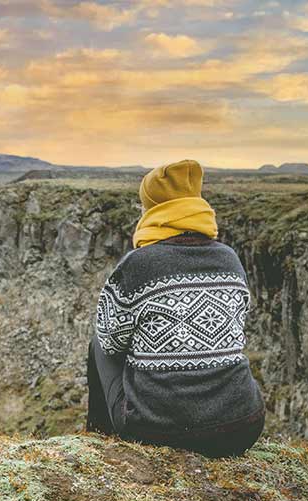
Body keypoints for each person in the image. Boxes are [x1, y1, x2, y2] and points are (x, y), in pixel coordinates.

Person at [86, 159, 264, 457]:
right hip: (242, 426)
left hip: (157, 429)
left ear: (154, 210)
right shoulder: (230, 259)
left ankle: (100, 444)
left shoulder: (137, 264)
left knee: (98, 345)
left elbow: (110, 340)